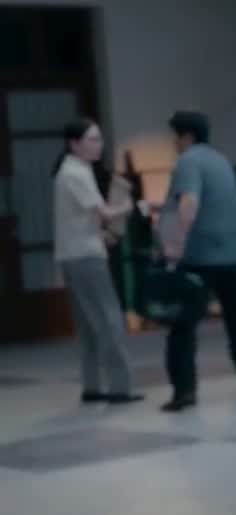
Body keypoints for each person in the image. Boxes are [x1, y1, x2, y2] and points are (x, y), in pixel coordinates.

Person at [159, 110, 236, 412]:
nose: (174, 144)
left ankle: (183, 391)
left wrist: (175, 243)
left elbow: (189, 201)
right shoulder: (221, 160)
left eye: (175, 137)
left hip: (200, 255)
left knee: (183, 325)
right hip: (231, 252)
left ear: (186, 136)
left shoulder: (188, 161)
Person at [52, 118, 143, 405]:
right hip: (87, 256)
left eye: (99, 139)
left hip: (73, 255)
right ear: (74, 144)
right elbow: (104, 213)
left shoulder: (70, 170)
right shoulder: (77, 173)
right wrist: (129, 206)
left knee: (88, 324)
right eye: (92, 139)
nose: (99, 145)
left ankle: (91, 385)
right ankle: (120, 387)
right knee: (109, 318)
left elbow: (86, 217)